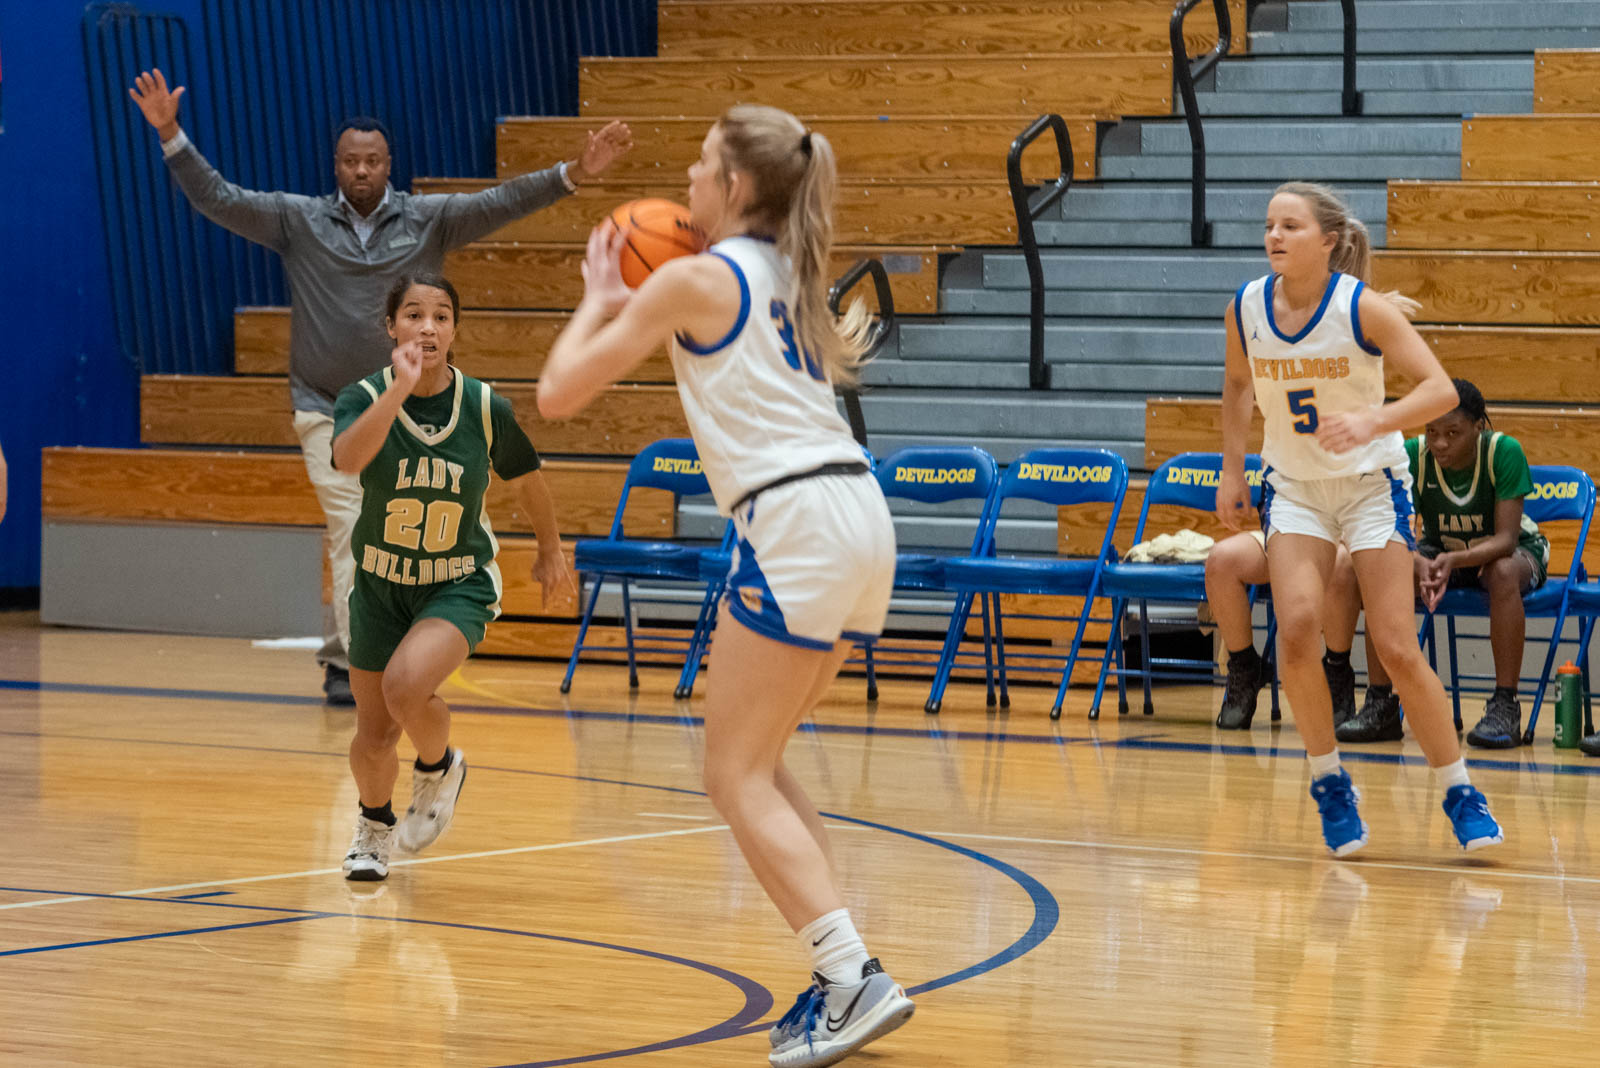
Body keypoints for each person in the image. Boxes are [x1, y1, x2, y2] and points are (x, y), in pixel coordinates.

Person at [538, 106, 915, 1068]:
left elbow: (558, 394)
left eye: (703, 164)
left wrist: (600, 295)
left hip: (794, 521)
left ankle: (852, 977)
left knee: (732, 775)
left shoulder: (696, 278)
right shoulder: (790, 272)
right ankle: (844, 964)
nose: (688, 180)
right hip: (858, 510)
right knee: (762, 761)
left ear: (737, 187)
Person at [128, 68, 629, 706]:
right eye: (350, 161)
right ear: (335, 166)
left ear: (389, 165)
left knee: (396, 535)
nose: (361, 170)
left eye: (372, 161)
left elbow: (501, 201)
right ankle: (357, 663)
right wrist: (170, 133)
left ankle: (386, 647)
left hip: (414, 413)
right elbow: (220, 199)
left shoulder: (428, 220)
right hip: (327, 408)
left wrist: (574, 172)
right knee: (351, 527)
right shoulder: (298, 221)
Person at [1216, 181, 1503, 856]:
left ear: (1328, 240)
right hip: (1295, 487)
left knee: (1397, 646)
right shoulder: (1246, 306)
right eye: (1269, 225)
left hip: (1371, 486)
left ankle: (1460, 791)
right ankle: (1330, 784)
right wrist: (1231, 469)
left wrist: (1374, 421)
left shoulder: (1362, 307)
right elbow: (1236, 385)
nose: (1274, 236)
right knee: (1297, 629)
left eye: (1290, 225)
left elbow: (1439, 389)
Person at [330, 274, 573, 881]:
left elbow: (528, 480)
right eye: (413, 315)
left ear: (455, 330)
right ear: (391, 327)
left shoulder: (485, 407)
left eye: (441, 316)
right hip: (380, 583)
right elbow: (348, 460)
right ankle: (373, 827)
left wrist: (550, 550)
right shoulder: (363, 397)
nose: (428, 327)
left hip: (456, 581)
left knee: (405, 687)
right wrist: (399, 390)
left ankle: (437, 767)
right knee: (374, 734)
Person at [1335, 378, 1548, 749]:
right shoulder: (1414, 455)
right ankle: (1381, 703)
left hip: (1511, 553)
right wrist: (1417, 562)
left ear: (1478, 427)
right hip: (1442, 550)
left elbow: (1506, 540)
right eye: (1432, 432)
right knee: (1384, 568)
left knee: (1500, 573)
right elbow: (1389, 529)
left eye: (1453, 433)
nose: (1440, 443)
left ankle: (1505, 704)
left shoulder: (1503, 451)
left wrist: (1455, 560)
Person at [1205, 531, 1360, 729]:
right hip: (1283, 533)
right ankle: (1244, 667)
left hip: (1338, 534)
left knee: (1340, 562)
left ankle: (1337, 671)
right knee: (1220, 560)